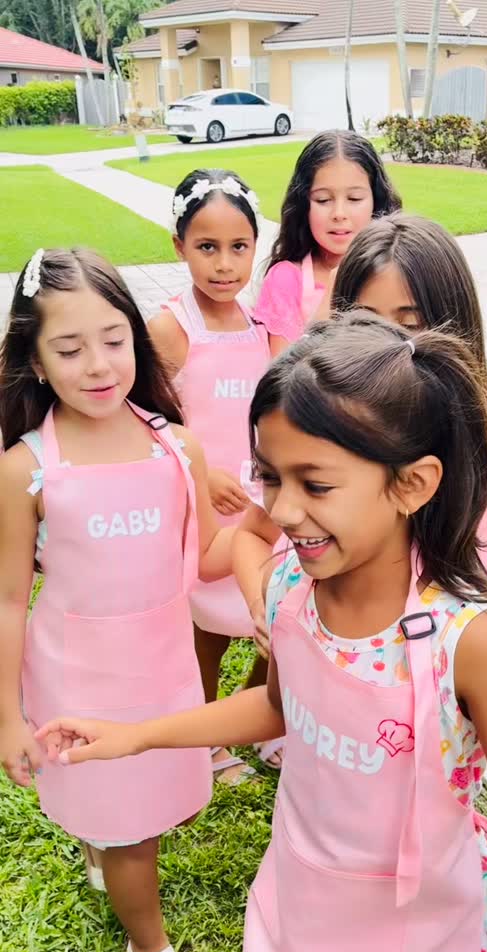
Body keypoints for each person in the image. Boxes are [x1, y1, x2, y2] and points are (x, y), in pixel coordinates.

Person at [36, 314, 487, 952]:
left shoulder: (469, 645)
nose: (283, 510)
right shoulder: (292, 587)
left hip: (426, 940)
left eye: (315, 485)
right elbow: (281, 708)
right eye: (269, 476)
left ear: (412, 484)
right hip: (297, 926)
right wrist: (139, 734)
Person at [0, 247, 233, 952]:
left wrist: (274, 526)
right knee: (132, 828)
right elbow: (9, 600)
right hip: (79, 682)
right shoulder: (24, 469)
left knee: (161, 802)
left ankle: (103, 844)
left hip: (164, 670)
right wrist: (7, 718)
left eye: (113, 340)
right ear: (35, 361)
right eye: (69, 349)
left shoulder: (178, 447)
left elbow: (204, 559)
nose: (98, 365)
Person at [332, 213, 487, 623]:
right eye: (366, 322)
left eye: (410, 324)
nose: (387, 343)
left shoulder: (483, 435)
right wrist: (262, 600)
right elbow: (258, 535)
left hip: (450, 652)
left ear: (456, 328)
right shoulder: (324, 429)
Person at [148, 169, 276, 781]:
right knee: (206, 632)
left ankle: (260, 719)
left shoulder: (261, 326)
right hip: (202, 511)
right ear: (179, 246)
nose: (224, 264)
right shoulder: (172, 329)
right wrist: (201, 474)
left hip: (261, 505)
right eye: (207, 247)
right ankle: (203, 738)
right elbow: (147, 421)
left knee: (273, 612)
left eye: (238, 247)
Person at [253, 130, 402, 353]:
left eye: (354, 199)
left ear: (376, 200)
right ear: (304, 204)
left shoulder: (398, 270)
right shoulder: (286, 279)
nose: (339, 214)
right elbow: (284, 372)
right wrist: (331, 297)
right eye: (323, 200)